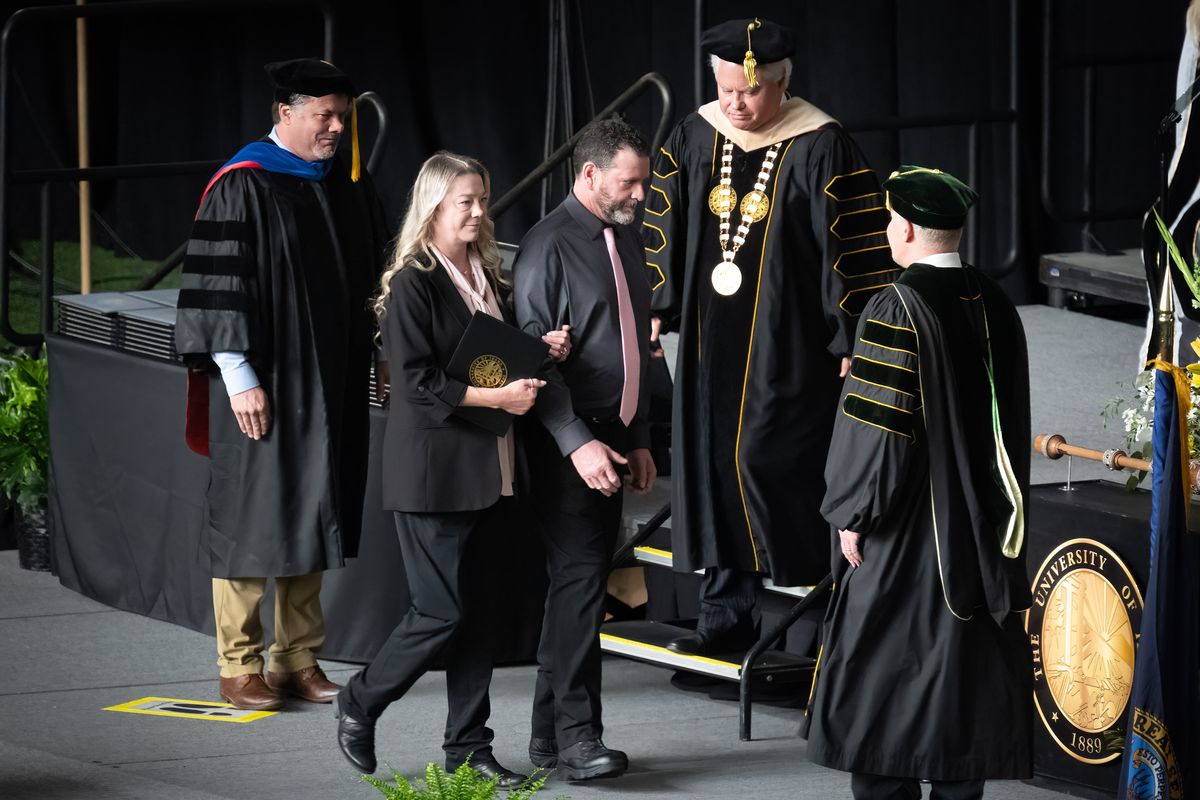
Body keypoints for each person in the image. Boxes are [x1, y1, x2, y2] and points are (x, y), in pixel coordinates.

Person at [641, 17, 898, 657]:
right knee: (711, 462)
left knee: (769, 460)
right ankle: (723, 617)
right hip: (708, 339)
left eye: (749, 93)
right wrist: (656, 302)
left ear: (781, 83)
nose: (735, 103)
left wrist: (852, 333)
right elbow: (663, 219)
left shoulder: (821, 144)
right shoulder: (696, 134)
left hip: (793, 345)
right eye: (727, 90)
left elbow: (855, 248)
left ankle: (808, 625)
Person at [333, 152, 569, 784]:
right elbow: (414, 384)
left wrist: (540, 350)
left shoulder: (484, 270)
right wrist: (500, 398)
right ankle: (360, 700)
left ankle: (469, 748)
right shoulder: (414, 280)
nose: (478, 212)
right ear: (433, 207)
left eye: (483, 200)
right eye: (464, 201)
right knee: (440, 612)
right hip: (434, 472)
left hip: (491, 467)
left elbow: (488, 357)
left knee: (481, 615)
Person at [804, 167, 1033, 799]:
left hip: (909, 534)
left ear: (902, 226)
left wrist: (853, 511)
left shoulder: (894, 306)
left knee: (885, 684)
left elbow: (877, 430)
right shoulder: (996, 301)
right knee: (962, 680)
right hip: (982, 528)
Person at [174, 58, 389, 711]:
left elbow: (376, 275)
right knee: (251, 515)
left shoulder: (344, 184)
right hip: (265, 382)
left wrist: (379, 350)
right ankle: (238, 665)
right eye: (323, 115)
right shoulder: (244, 184)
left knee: (314, 510)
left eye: (341, 116)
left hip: (333, 378)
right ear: (284, 114)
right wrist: (237, 376)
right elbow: (217, 285)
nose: (334, 128)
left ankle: (297, 658)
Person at [512, 115, 655, 781]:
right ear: (590, 174)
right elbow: (533, 369)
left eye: (643, 183)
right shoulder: (546, 246)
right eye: (628, 183)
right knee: (578, 588)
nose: (639, 195)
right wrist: (579, 445)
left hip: (613, 440)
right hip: (568, 449)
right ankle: (577, 738)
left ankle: (548, 739)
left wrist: (640, 438)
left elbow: (635, 345)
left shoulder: (624, 237)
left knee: (582, 586)